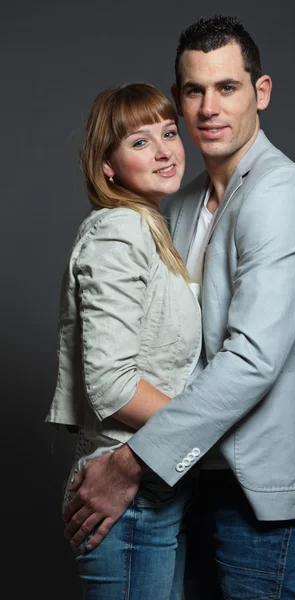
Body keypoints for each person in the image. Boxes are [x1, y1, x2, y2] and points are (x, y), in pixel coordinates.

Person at [62, 15, 295, 599]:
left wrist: (132, 462)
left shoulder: (282, 193)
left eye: (228, 87)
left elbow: (252, 360)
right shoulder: (175, 206)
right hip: (188, 476)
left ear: (260, 93)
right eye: (194, 90)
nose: (210, 107)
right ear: (181, 102)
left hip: (257, 485)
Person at [45, 82, 203, 599]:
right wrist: (211, 429)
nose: (164, 151)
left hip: (153, 486)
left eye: (169, 132)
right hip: (127, 490)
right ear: (106, 165)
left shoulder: (150, 230)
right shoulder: (119, 232)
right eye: (139, 142)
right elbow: (112, 387)